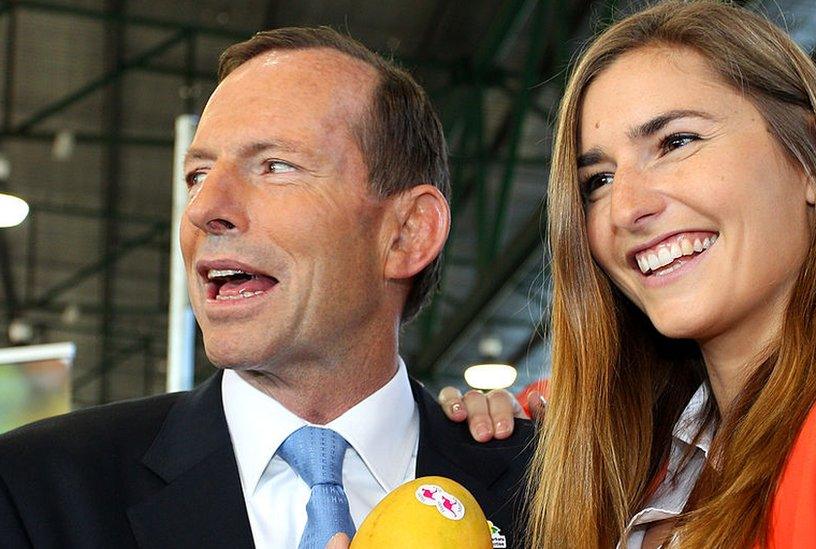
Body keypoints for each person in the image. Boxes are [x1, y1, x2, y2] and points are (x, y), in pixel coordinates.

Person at [442, 1, 816, 548]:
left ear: (809, 159)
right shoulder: (630, 470)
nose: (625, 208)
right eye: (598, 180)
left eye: (676, 142)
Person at [0, 27, 533, 549]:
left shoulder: (550, 487)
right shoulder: (36, 489)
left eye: (275, 166)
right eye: (197, 174)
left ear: (407, 233)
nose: (205, 209)